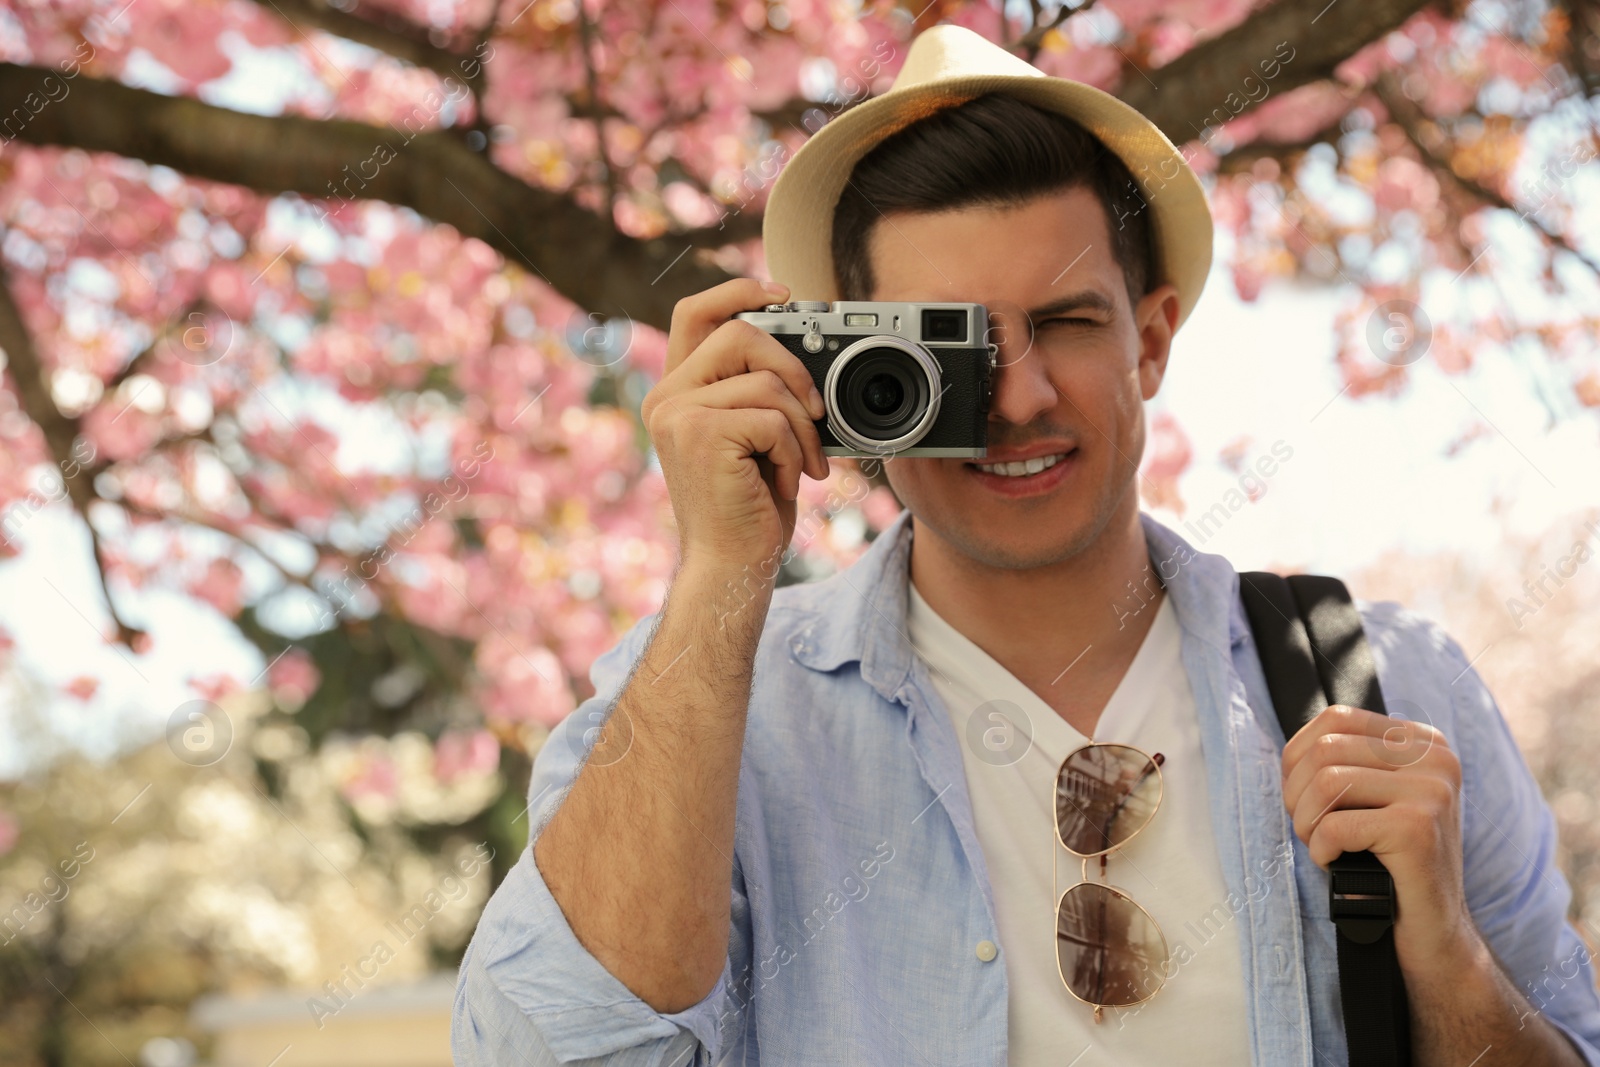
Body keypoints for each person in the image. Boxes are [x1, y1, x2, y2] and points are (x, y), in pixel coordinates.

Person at [452, 23, 1600, 1066]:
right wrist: (719, 571)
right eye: (945, 350)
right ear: (843, 373)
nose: (1017, 397)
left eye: (1064, 321)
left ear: (1150, 341)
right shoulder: (714, 719)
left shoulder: (1395, 689)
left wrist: (1442, 953)